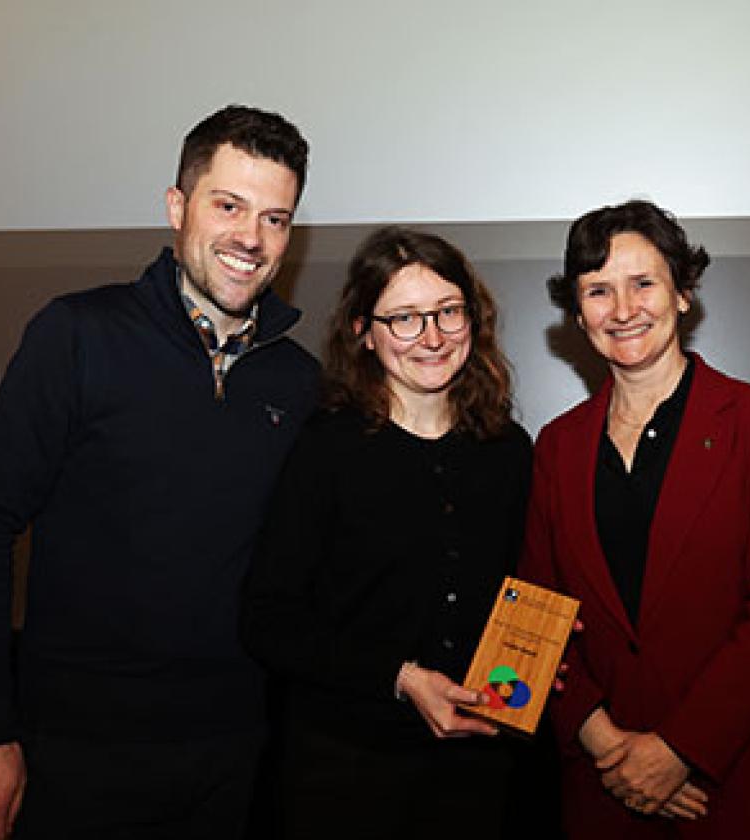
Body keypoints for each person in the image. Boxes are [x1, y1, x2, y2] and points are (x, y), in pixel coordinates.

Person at [0, 105, 320, 839]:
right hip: (72, 753)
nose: (250, 238)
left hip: (233, 756)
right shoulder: (76, 335)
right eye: (228, 205)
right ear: (177, 207)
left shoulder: (298, 382)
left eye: (275, 218)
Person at [520, 199, 750, 837]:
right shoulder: (555, 445)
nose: (623, 309)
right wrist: (606, 746)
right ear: (578, 314)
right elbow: (533, 613)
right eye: (598, 290)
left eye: (643, 283)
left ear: (683, 294)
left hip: (734, 779)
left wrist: (678, 750)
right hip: (604, 787)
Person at [241, 226, 534, 839]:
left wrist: (537, 653)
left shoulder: (507, 450)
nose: (431, 337)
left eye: (447, 312)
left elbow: (519, 592)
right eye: (404, 318)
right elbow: (268, 618)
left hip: (478, 768)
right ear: (363, 333)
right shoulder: (325, 449)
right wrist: (400, 677)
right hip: (347, 770)